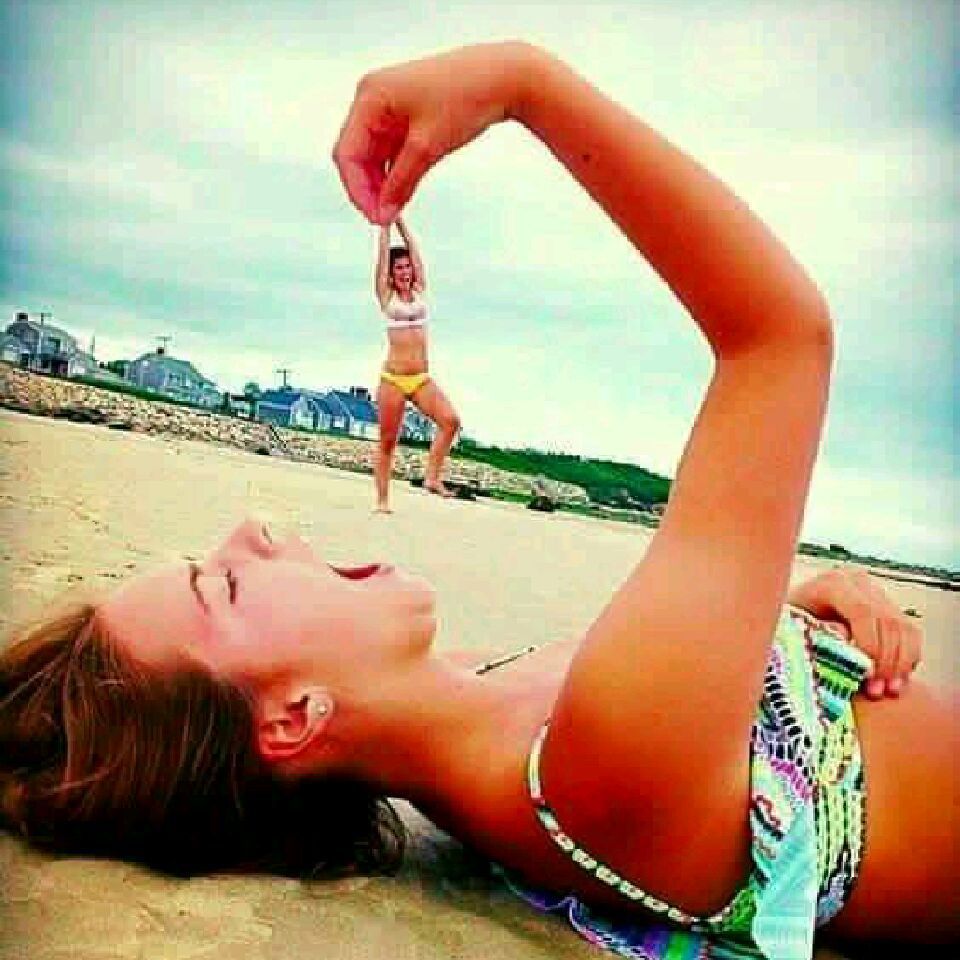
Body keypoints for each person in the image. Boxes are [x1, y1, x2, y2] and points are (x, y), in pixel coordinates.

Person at [1, 42, 956, 958]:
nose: (250, 529)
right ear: (293, 718)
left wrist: (778, 615)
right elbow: (779, 337)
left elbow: (713, 722)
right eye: (222, 585)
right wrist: (523, 83)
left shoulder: (479, 713)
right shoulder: (596, 767)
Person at [373, 214, 460, 511]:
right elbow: (382, 257)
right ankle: (382, 500)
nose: (405, 271)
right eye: (399, 267)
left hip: (421, 379)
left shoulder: (420, 289)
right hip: (393, 380)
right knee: (388, 441)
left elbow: (414, 248)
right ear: (391, 273)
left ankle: (432, 478)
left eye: (407, 266)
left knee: (450, 421)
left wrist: (399, 220)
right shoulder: (387, 297)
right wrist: (385, 226)